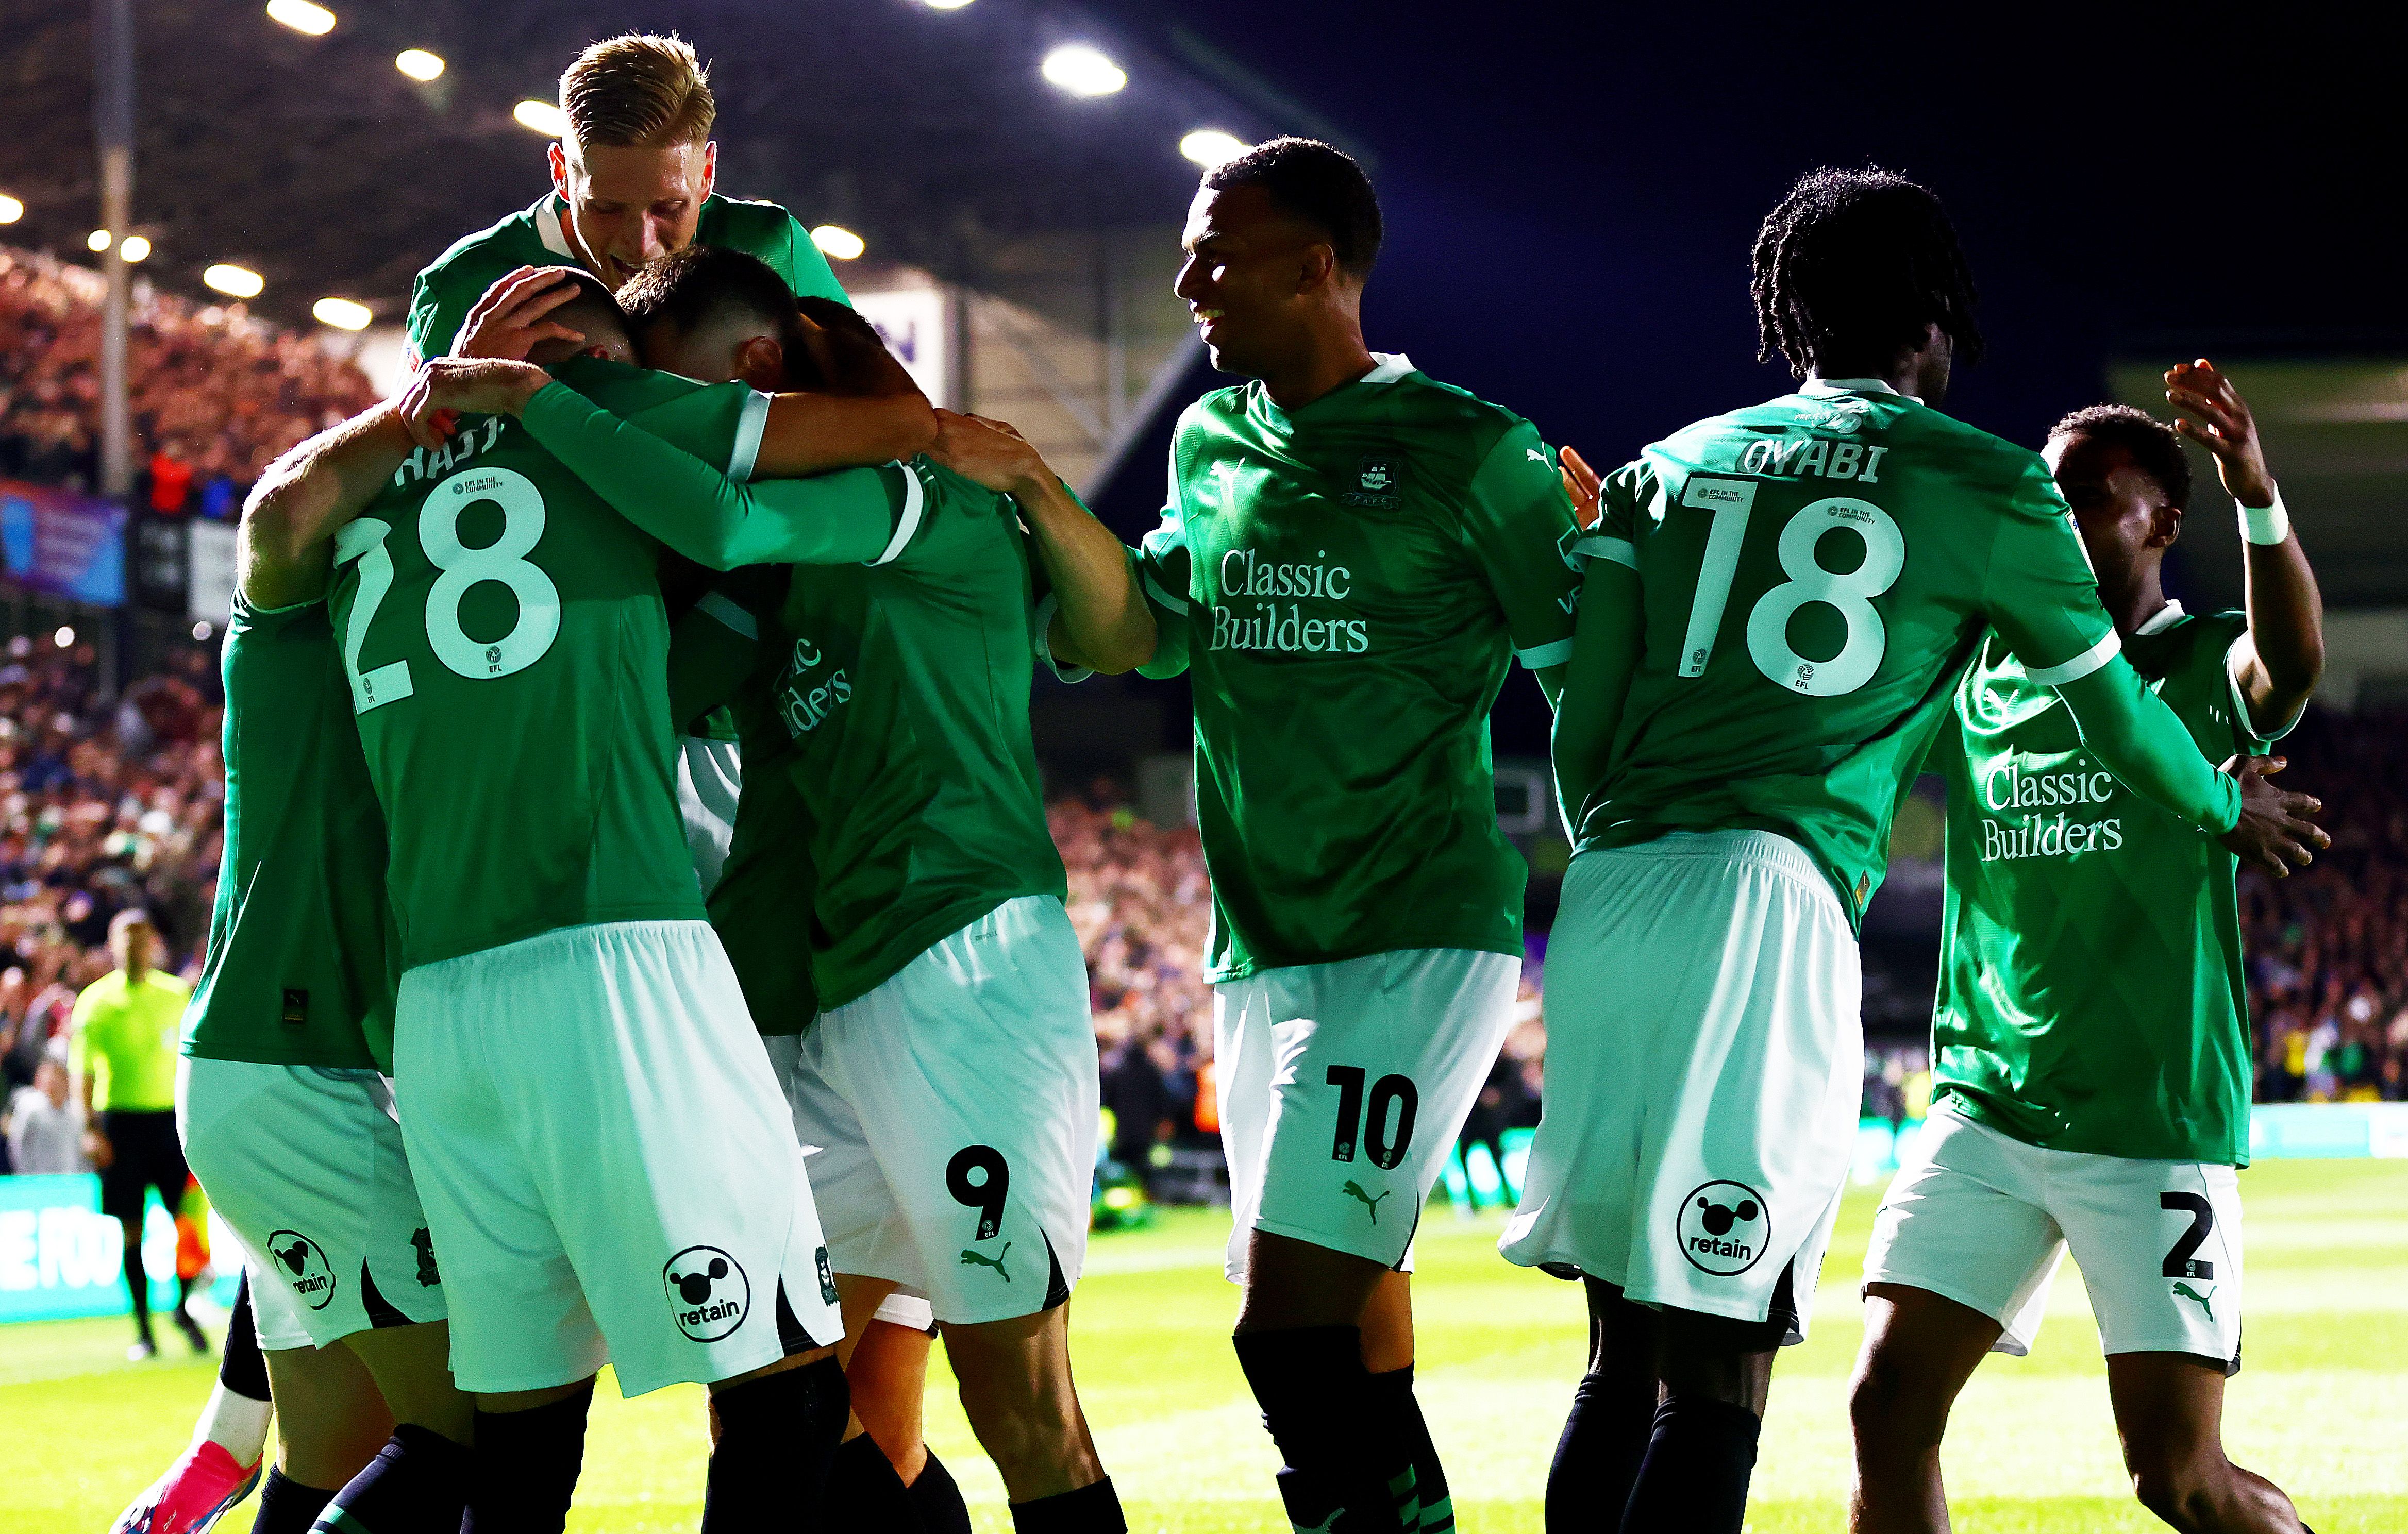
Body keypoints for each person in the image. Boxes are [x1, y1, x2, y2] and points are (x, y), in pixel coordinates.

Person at [1495, 166, 2326, 1534]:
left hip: (1612, 899)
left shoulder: (1663, 467)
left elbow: (1585, 735)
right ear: (1935, 315)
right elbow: (2118, 719)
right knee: (1718, 1369)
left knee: (1620, 1354)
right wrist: (2224, 804)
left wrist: (1629, 847)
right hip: (1772, 915)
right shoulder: (1983, 495)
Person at [415, 244, 1130, 1533]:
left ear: (752, 380)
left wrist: (539, 403)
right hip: (830, 990)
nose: (671, 433)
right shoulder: (780, 586)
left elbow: (724, 512)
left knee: (1016, 1399)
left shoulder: (914, 488)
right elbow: (662, 690)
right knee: (809, 1394)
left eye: (682, 404)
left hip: (957, 953)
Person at [241, 269, 930, 1533]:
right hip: (615, 964)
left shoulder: (358, 492)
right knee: (780, 1381)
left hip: (440, 1012)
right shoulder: (608, 418)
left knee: (519, 1433)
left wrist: (414, 412)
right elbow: (903, 431)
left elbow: (272, 519)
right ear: (585, 363)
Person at [1025, 135, 1584, 1533]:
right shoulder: (1214, 444)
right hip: (1260, 947)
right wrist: (1037, 505)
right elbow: (1141, 631)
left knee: (1284, 1333)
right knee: (1355, 1327)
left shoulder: (1473, 447)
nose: (1187, 276)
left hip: (1411, 931)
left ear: (1317, 267)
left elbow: (1587, 655)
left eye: (1216, 248)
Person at [1848, 366, 2322, 1534]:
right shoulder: (1981, 670)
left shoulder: (2201, 664)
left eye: (2082, 498)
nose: (2052, 519)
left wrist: (2258, 493)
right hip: (1988, 1106)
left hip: (2148, 1113)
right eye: (2042, 498)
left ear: (2160, 520)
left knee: (2177, 1478)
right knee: (1883, 1410)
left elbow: (2291, 663)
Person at [172, 525, 475, 1533]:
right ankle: (225, 1436)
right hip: (295, 1078)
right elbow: (284, 518)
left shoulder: (334, 680)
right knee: (467, 1429)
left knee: (340, 1434)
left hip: (285, 1078)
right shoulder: (307, 657)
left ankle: (224, 1439)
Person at [404, 33, 847, 364]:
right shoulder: (463, 286)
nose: (640, 244)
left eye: (668, 209)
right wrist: (460, 384)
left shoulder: (772, 248)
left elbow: (893, 424)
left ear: (707, 173)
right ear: (562, 174)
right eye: (606, 208)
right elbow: (393, 477)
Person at [71, 908, 207, 1360]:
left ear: (154, 943)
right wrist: (89, 1128)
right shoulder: (95, 1001)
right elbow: (82, 1071)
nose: (133, 946)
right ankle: (144, 1331)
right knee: (132, 1231)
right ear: (112, 944)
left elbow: (196, 1060)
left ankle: (184, 1307)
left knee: (188, 1223)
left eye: (141, 937)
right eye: (125, 938)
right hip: (121, 1123)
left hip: (171, 1123)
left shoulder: (176, 994)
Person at [5, 1040, 85, 1174]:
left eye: (60, 1074)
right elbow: (17, 1147)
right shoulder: (29, 1106)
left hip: (66, 1185)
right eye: (52, 1073)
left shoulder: (76, 1113)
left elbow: (78, 1154)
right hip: (34, 1183)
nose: (55, 1080)